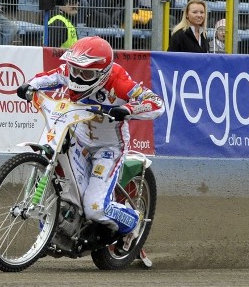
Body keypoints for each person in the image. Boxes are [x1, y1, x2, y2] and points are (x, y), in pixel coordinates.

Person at [16, 36, 165, 252]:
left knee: (94, 208)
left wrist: (129, 110)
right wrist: (29, 85)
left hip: (109, 147)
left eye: (85, 73)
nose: (76, 76)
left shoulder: (119, 81)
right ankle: (54, 229)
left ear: (102, 73)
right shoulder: (70, 70)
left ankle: (133, 221)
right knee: (61, 176)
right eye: (74, 70)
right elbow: (50, 76)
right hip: (78, 137)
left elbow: (156, 103)